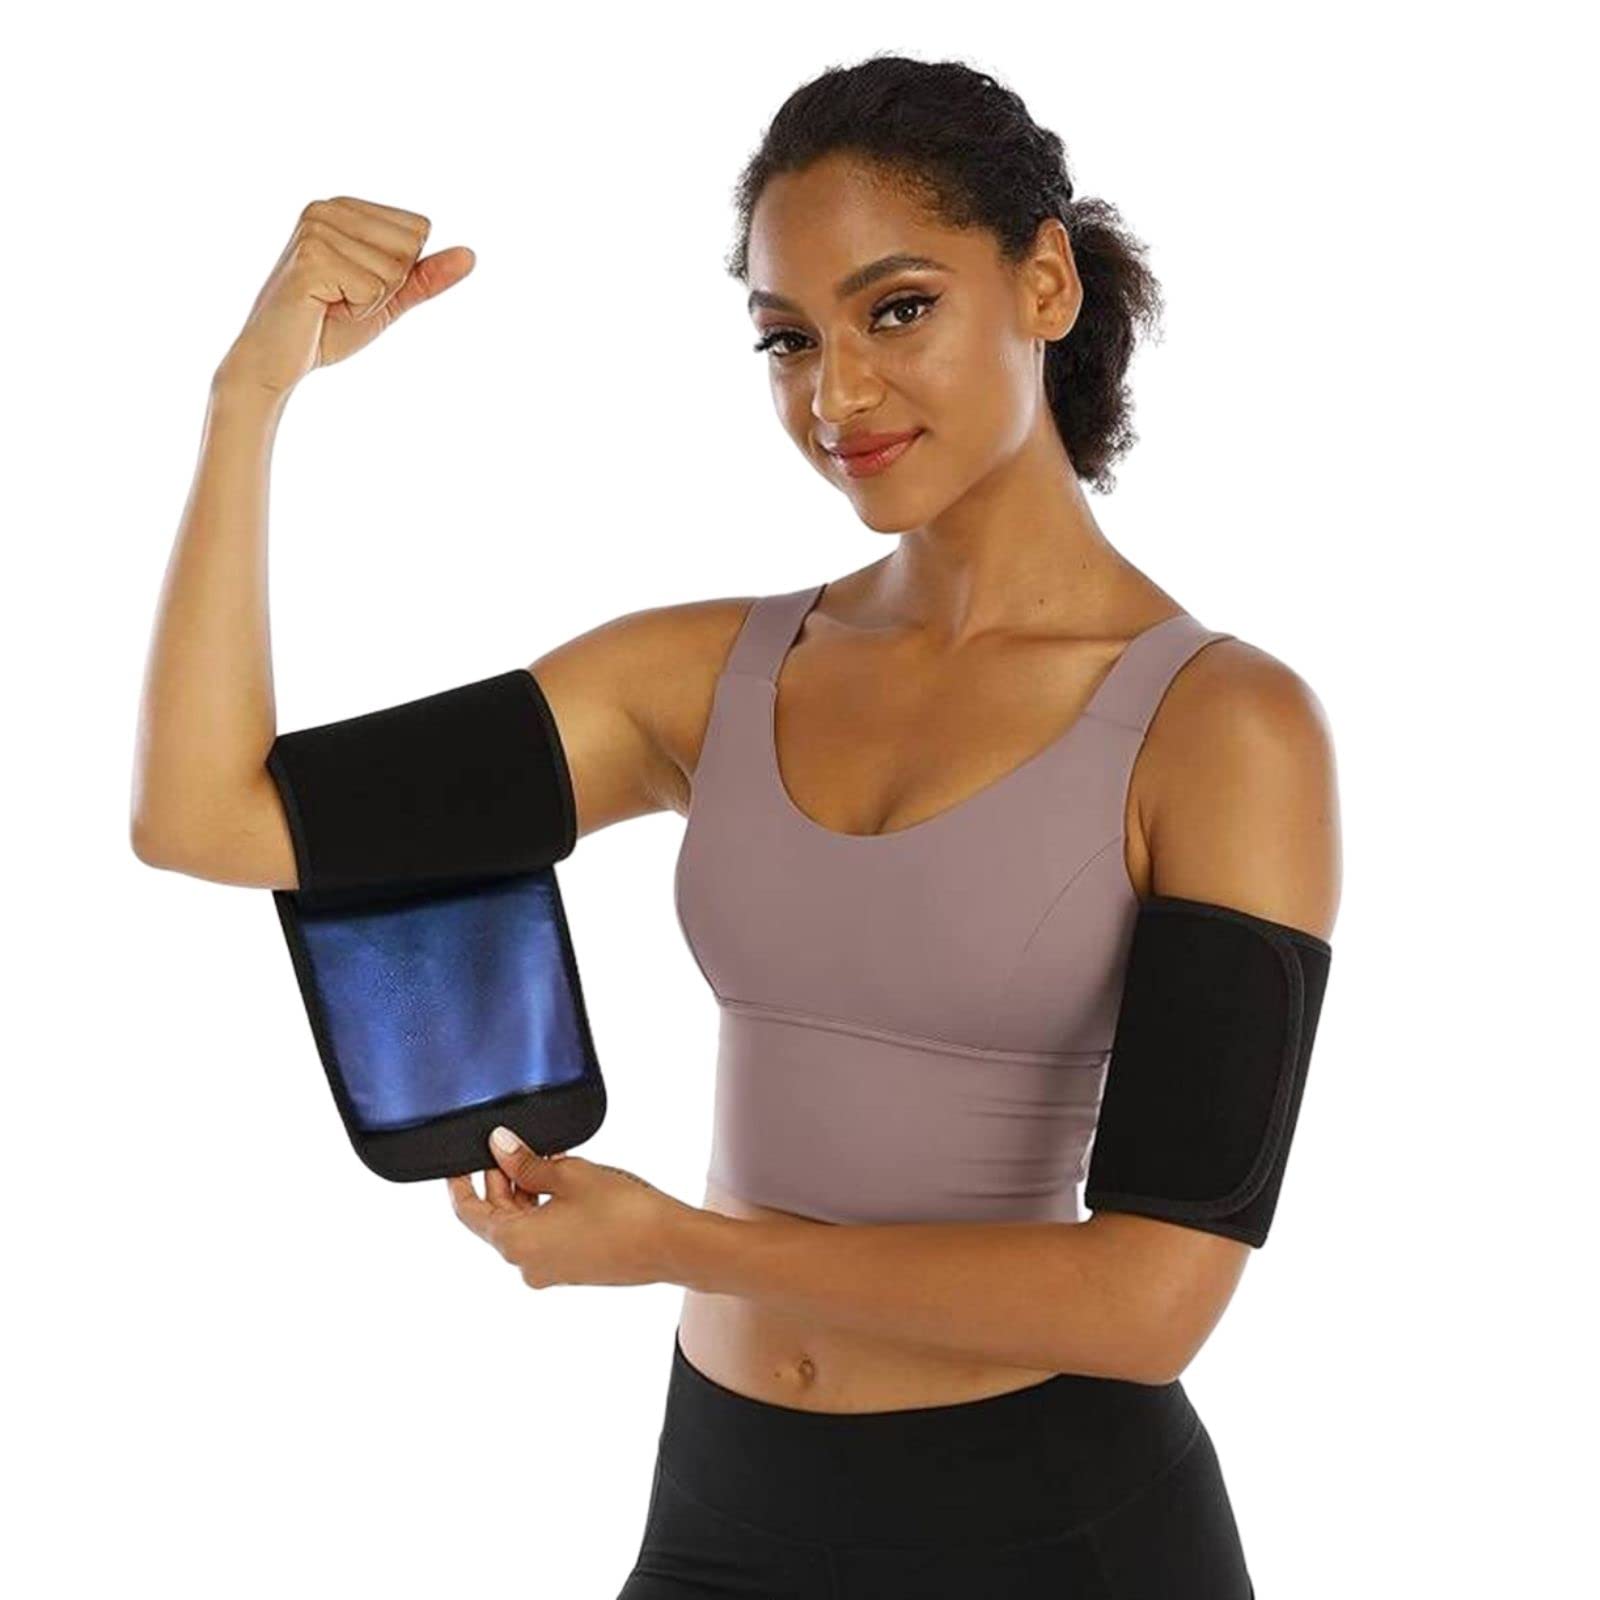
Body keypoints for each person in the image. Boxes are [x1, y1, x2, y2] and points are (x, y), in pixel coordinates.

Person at [131, 52, 1340, 1599]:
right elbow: (207, 816)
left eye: (898, 310)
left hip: (1058, 1531)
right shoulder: (707, 678)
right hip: (726, 1503)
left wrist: (682, 1245)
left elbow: (1155, 1300)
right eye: (789, 338)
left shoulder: (1225, 729)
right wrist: (248, 399)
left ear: (1045, 282)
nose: (837, 396)